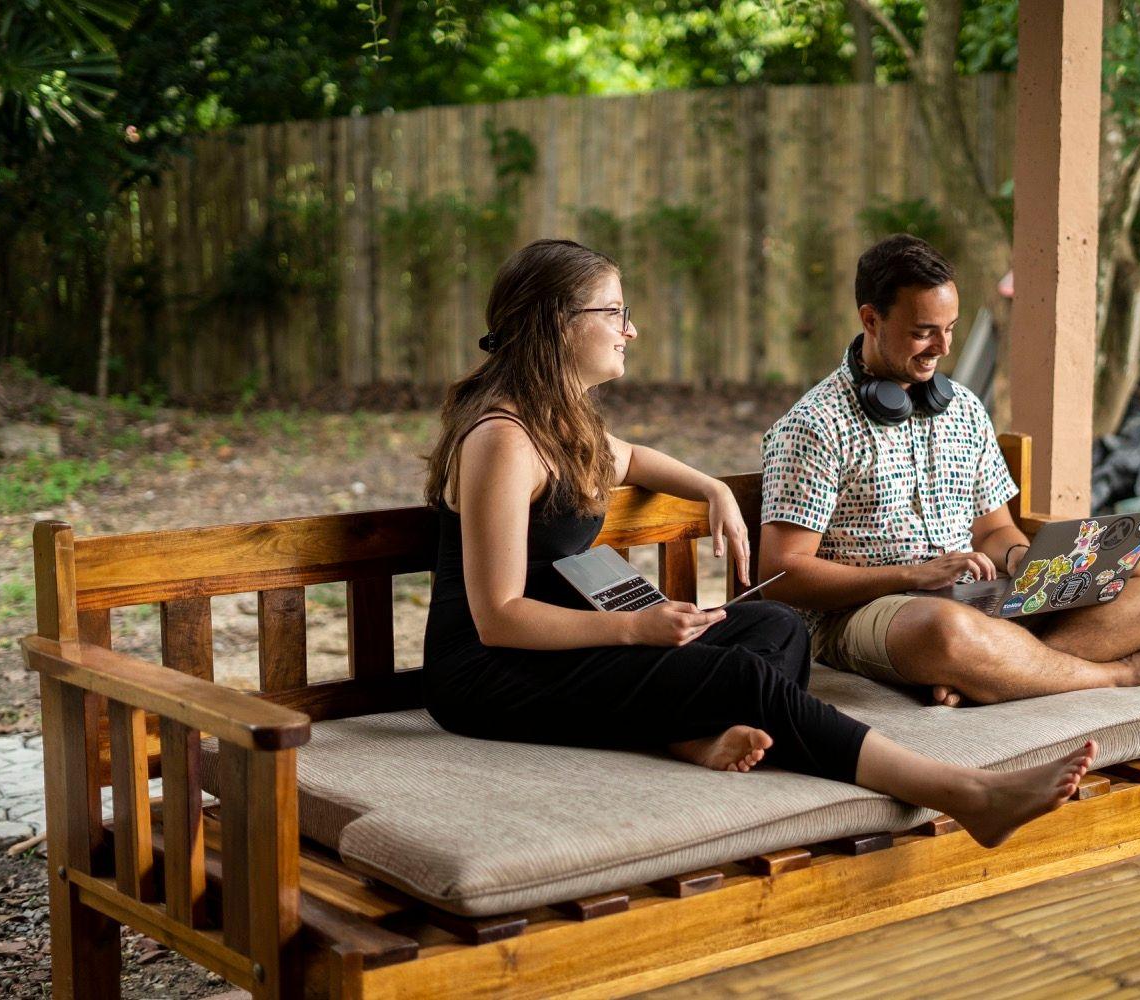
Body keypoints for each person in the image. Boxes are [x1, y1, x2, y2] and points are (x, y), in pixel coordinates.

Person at [420, 237, 1097, 848]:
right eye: (613, 313)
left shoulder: (559, 422)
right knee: (741, 674)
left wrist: (713, 490)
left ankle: (690, 735)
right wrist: (636, 629)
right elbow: (499, 617)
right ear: (557, 325)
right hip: (489, 672)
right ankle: (962, 791)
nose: (631, 329)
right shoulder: (503, 441)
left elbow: (629, 460)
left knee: (776, 628)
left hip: (575, 641)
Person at [760, 234, 1140, 708]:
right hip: (869, 615)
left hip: (979, 600)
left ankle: (990, 673)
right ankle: (1119, 674)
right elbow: (783, 573)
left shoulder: (965, 410)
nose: (941, 347)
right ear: (871, 319)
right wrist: (913, 575)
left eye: (950, 328)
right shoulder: (813, 425)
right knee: (948, 631)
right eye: (923, 331)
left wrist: (1021, 558)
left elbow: (994, 528)